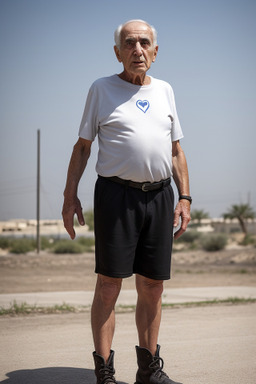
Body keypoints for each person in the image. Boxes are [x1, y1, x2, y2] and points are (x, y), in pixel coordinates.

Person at [62, 19, 191, 384]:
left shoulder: (165, 90)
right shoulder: (101, 89)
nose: (137, 49)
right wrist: (70, 195)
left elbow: (177, 150)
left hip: (160, 196)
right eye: (130, 43)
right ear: (117, 52)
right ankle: (105, 372)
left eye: (144, 42)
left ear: (155, 51)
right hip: (116, 196)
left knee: (153, 284)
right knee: (109, 284)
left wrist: (184, 197)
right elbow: (83, 147)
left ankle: (149, 370)